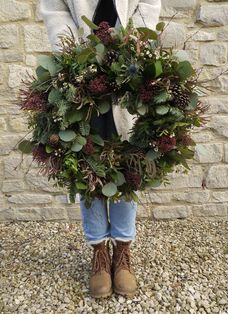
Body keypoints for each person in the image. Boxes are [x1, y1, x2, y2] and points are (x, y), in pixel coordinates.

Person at [40, 0, 162, 298]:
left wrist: (128, 46)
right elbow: (56, 9)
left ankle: (122, 252)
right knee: (86, 164)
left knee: (127, 165)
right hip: (80, 74)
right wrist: (77, 53)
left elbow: (147, 3)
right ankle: (99, 253)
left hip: (128, 72)